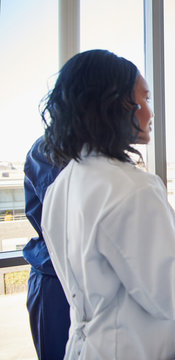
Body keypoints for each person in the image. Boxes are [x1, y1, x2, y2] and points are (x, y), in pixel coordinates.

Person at [39, 49, 175, 359]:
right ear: (112, 105)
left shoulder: (62, 186)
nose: (149, 111)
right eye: (143, 99)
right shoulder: (133, 188)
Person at [23, 136, 70, 359]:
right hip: (55, 282)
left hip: (84, 279)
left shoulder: (101, 154)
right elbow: (67, 216)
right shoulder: (50, 148)